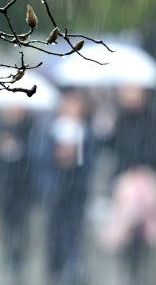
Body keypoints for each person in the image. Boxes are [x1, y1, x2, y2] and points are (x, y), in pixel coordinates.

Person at [100, 85, 156, 285]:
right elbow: (110, 149)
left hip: (145, 178)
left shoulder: (151, 119)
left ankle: (139, 271)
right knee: (123, 228)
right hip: (123, 179)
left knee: (145, 228)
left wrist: (142, 163)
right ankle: (127, 270)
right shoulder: (117, 119)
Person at [35, 91, 94, 285]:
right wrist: (57, 157)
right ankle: (56, 265)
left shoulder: (85, 130)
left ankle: (72, 263)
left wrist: (75, 157)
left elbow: (89, 160)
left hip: (75, 187)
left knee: (74, 226)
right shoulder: (48, 128)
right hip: (56, 187)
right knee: (55, 226)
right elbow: (39, 155)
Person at [0, 105, 35, 284]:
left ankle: (19, 260)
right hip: (3, 190)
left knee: (22, 228)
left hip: (22, 190)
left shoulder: (28, 129)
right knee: (6, 229)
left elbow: (31, 159)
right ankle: (10, 260)